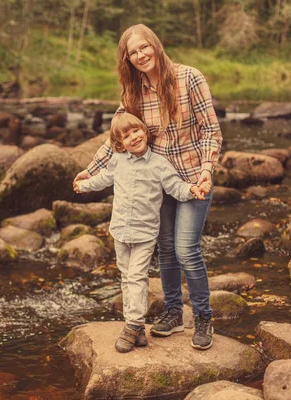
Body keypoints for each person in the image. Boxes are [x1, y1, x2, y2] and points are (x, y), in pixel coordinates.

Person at [74, 23, 222, 350]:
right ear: (127, 59)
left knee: (186, 248)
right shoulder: (132, 91)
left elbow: (211, 131)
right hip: (159, 180)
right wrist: (89, 171)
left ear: (155, 45)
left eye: (144, 47)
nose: (141, 55)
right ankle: (172, 313)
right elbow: (117, 140)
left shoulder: (189, 78)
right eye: (133, 52)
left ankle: (202, 317)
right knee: (166, 249)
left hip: (193, 178)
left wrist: (207, 170)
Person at [74, 112, 210, 353]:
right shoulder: (117, 160)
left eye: (136, 130)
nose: (133, 137)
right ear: (119, 144)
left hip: (144, 234)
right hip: (119, 231)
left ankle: (133, 325)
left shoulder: (159, 163)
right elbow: (104, 178)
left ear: (145, 132)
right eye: (126, 136)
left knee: (137, 277)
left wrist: (192, 189)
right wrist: (84, 185)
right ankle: (135, 329)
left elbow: (175, 187)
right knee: (127, 278)